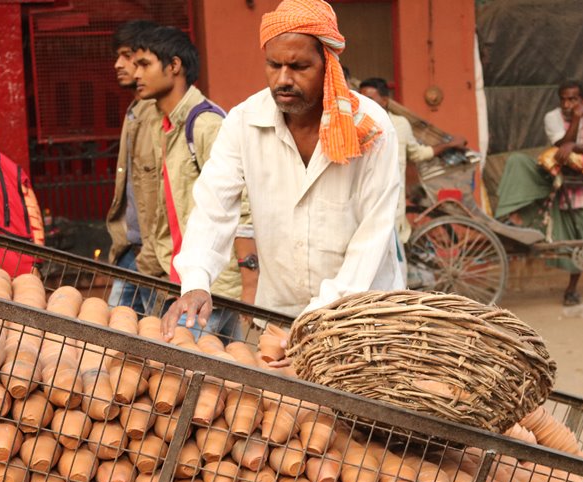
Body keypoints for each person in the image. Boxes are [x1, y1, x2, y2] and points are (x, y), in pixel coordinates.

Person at [161, 0, 403, 339]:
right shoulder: (244, 122)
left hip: (359, 321)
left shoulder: (372, 128)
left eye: (299, 66)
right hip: (276, 319)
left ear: (328, 64)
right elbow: (213, 208)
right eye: (274, 65)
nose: (283, 79)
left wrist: (314, 323)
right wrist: (197, 280)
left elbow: (373, 236)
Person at [132, 26, 256, 339]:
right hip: (180, 279)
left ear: (174, 66)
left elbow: (242, 205)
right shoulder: (165, 124)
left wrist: (249, 284)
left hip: (212, 286)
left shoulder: (207, 124)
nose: (135, 73)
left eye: (144, 64)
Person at [495, 80, 583, 305]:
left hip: (580, 183)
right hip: (551, 178)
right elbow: (561, 144)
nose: (567, 103)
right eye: (563, 99)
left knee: (579, 236)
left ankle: (572, 289)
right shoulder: (551, 117)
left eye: (573, 99)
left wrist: (571, 144)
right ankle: (507, 216)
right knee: (517, 162)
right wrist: (574, 126)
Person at [358, 77, 468, 247]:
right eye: (361, 99)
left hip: (393, 203)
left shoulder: (400, 124)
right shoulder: (355, 127)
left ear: (385, 101)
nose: (364, 104)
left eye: (370, 99)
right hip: (364, 202)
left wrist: (449, 145)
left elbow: (417, 153)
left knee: (394, 253)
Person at [106, 20, 161, 314]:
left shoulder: (159, 114)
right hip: (130, 246)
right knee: (116, 328)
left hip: (156, 254)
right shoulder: (136, 111)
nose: (119, 64)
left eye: (128, 56)